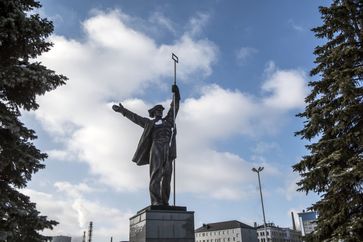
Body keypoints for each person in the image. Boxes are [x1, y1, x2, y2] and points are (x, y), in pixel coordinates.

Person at [112, 84, 180, 206]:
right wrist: (123, 111)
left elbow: (175, 106)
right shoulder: (149, 123)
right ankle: (155, 201)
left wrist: (177, 94)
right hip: (156, 148)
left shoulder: (169, 120)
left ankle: (165, 201)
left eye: (161, 110)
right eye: (157, 111)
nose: (160, 112)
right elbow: (135, 118)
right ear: (153, 113)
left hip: (168, 149)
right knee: (156, 175)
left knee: (168, 176)